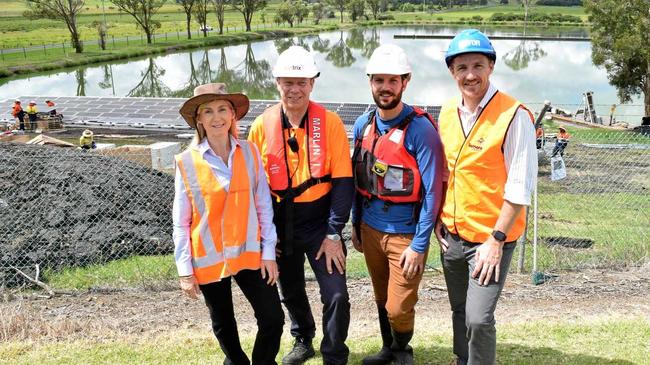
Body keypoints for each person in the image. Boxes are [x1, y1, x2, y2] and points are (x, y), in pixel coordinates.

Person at [435, 29, 538, 365]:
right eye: (461, 67)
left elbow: (520, 189)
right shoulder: (447, 112)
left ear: (491, 67)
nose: (470, 75)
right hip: (453, 235)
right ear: (451, 71)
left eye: (478, 65)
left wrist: (495, 241)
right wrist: (440, 217)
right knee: (459, 309)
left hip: (490, 239)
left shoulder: (513, 116)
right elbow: (450, 171)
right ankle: (462, 359)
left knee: (479, 318)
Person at [248, 46, 354, 365]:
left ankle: (334, 353)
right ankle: (303, 339)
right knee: (290, 289)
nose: (294, 89)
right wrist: (266, 235)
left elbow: (343, 183)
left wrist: (334, 233)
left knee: (336, 293)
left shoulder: (331, 123)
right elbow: (254, 188)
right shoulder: (260, 126)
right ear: (277, 83)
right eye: (287, 82)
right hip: (279, 223)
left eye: (301, 82)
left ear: (312, 83)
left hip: (321, 221)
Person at [174, 83, 284, 365]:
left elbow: (263, 206)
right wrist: (185, 271)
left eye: (222, 109)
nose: (216, 117)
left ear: (233, 115)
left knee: (273, 317)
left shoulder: (249, 152)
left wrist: (269, 252)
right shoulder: (186, 162)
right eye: (208, 111)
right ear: (198, 119)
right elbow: (181, 222)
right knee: (224, 324)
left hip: (249, 253)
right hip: (209, 258)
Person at [350, 44, 444, 365]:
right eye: (379, 80)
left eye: (393, 80)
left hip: (406, 234)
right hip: (370, 227)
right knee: (380, 295)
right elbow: (357, 179)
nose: (385, 87)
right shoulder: (363, 125)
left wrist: (419, 245)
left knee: (398, 305)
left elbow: (433, 192)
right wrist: (355, 225)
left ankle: (403, 350)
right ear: (370, 82)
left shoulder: (420, 130)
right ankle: (388, 350)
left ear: (405, 82)